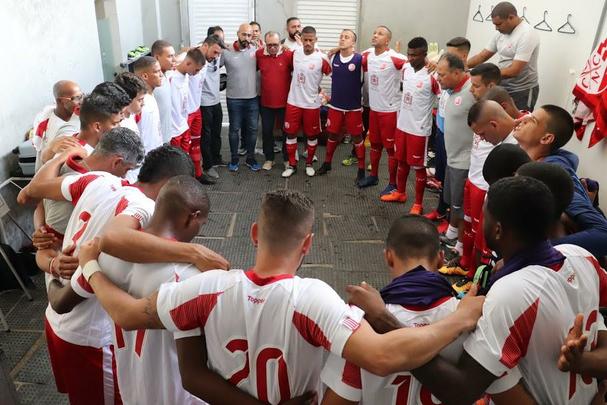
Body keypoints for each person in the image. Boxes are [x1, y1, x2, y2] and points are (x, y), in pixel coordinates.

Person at [76, 189, 484, 404]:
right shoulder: (314, 299)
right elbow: (383, 356)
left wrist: (91, 265)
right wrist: (460, 319)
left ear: (253, 234)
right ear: (308, 244)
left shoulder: (202, 288)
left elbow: (126, 314)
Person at [351, 176, 607, 404]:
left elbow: (461, 390)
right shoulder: (583, 258)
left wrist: (385, 322)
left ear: (497, 229)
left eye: (485, 214)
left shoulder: (509, 294)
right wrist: (586, 366)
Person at [18, 145, 227, 404]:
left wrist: (50, 262)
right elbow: (113, 241)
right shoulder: (140, 221)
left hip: (62, 324)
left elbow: (33, 190)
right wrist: (195, 252)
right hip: (90, 338)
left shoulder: (99, 180)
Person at [321, 215, 531, 405]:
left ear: (388, 257)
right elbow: (511, 396)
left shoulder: (363, 325)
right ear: (441, 258)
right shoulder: (474, 317)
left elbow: (339, 398)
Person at [74, 176, 210, 405]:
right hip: (177, 395)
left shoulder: (105, 255)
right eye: (202, 224)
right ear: (192, 217)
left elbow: (63, 301)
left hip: (132, 385)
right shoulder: (188, 277)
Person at [33, 102, 135, 275]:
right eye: (116, 122)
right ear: (97, 126)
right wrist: (41, 229)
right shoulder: (74, 161)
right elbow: (33, 195)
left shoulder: (88, 157)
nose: (120, 127)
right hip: (65, 259)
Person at [514, 105, 607, 258]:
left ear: (546, 138)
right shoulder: (531, 161)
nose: (524, 120)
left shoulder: (554, 175)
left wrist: (532, 253)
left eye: (532, 120)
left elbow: (603, 233)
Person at [382, 37, 439, 215]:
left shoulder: (433, 75)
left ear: (424, 55)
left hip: (419, 130)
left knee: (419, 167)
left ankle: (418, 204)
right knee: (401, 161)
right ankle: (400, 192)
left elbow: (443, 96)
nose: (411, 58)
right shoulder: (406, 68)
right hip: (402, 126)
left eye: (415, 55)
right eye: (409, 54)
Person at [425, 37, 471, 227]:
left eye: (450, 54)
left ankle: (452, 221)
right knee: (443, 176)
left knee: (457, 183)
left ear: (463, 57)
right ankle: (441, 210)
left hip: (460, 144)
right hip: (443, 133)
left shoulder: (470, 85)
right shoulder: (445, 75)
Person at [434, 53, 475, 260]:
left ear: (457, 73)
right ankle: (451, 232)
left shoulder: (473, 91)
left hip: (465, 160)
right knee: (450, 198)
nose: (437, 78)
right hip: (452, 155)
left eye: (441, 74)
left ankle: (459, 245)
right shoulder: (450, 90)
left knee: (460, 203)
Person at [357, 26, 407, 194]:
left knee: (390, 149)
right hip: (373, 109)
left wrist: (430, 64)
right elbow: (351, 56)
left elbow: (414, 66)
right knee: (375, 145)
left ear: (387, 40)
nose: (375, 35)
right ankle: (374, 176)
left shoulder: (395, 58)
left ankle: (393, 183)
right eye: (374, 32)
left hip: (390, 111)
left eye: (380, 34)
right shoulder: (368, 55)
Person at [467, 1, 540, 111]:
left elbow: (515, 70)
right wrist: (461, 66)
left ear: (511, 17)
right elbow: (482, 56)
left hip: (521, 90)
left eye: (499, 24)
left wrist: (485, 75)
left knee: (517, 124)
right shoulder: (501, 33)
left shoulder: (527, 34)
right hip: (502, 85)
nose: (496, 28)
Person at [282, 26, 332, 178]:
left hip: (312, 104)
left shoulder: (322, 58)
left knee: (311, 136)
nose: (308, 43)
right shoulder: (294, 54)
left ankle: (309, 163)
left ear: (316, 40)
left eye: (311, 40)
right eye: (305, 40)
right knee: (290, 134)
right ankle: (292, 165)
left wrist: (327, 94)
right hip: (294, 102)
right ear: (301, 40)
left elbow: (334, 75)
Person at [317, 29, 365, 183]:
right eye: (341, 36)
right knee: (332, 135)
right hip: (336, 106)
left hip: (353, 107)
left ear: (353, 42)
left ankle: (362, 170)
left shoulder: (360, 60)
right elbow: (315, 52)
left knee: (357, 137)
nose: (342, 39)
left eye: (347, 37)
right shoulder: (333, 58)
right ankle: (327, 163)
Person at [223, 23, 262, 172]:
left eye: (249, 35)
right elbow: (212, 64)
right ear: (238, 34)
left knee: (252, 130)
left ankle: (250, 159)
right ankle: (234, 159)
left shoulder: (256, 50)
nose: (246, 38)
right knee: (234, 130)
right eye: (244, 34)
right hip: (234, 99)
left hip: (252, 98)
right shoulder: (226, 51)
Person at [189, 35, 226, 184]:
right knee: (205, 136)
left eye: (219, 53)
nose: (216, 56)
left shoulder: (210, 58)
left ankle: (214, 159)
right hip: (200, 104)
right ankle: (207, 166)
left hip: (214, 101)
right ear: (205, 46)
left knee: (216, 132)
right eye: (215, 52)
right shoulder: (193, 58)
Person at [256, 31, 293, 171]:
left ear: (280, 44)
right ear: (265, 43)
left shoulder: (288, 55)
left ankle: (286, 159)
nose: (272, 47)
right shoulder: (259, 54)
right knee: (267, 132)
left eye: (275, 45)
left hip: (285, 103)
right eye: (269, 44)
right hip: (266, 103)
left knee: (286, 132)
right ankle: (269, 159)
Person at [33, 80, 82, 171]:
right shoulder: (55, 127)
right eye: (76, 98)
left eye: (81, 96)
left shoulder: (74, 116)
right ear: (61, 101)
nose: (80, 101)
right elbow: (50, 161)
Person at [168, 48, 205, 158]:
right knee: (176, 163)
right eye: (197, 70)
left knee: (185, 159)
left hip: (184, 127)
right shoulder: (170, 77)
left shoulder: (187, 76)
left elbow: (191, 51)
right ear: (188, 63)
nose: (197, 73)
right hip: (174, 132)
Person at [151, 40, 177, 142]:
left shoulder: (167, 74)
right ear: (157, 58)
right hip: (158, 141)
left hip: (167, 137)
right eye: (170, 56)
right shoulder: (152, 84)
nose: (174, 59)